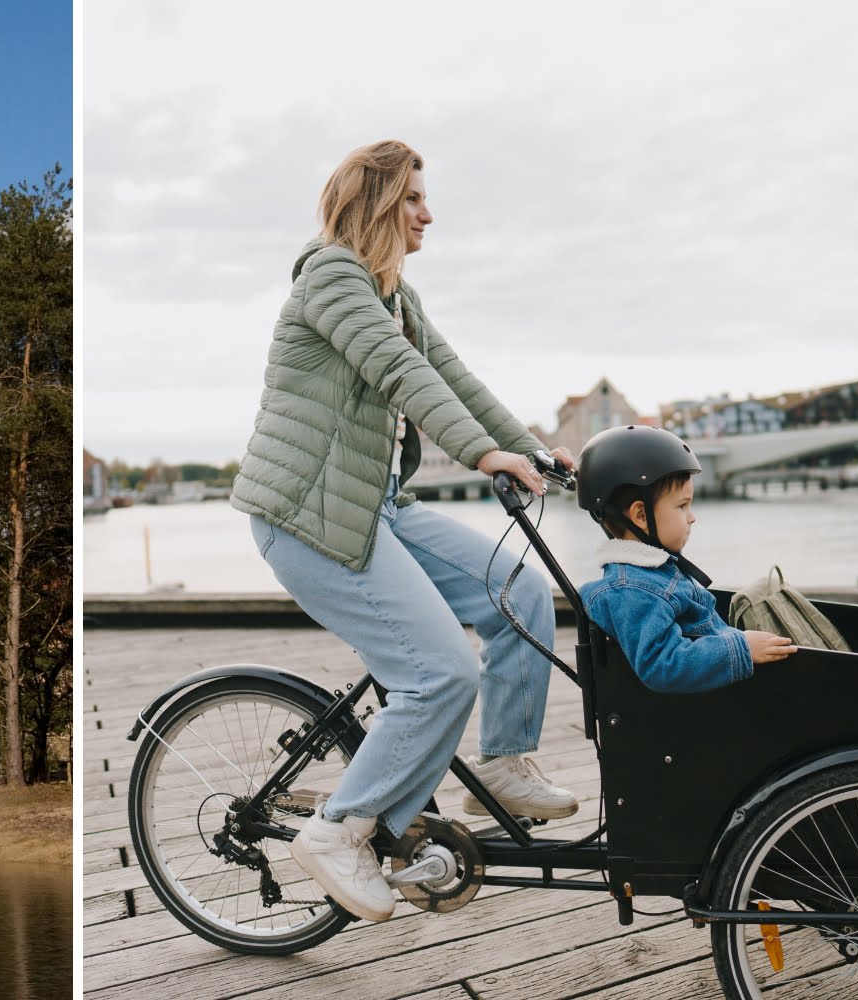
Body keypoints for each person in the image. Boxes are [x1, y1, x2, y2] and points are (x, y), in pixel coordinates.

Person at [230, 140, 577, 924]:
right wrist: (480, 453)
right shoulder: (331, 278)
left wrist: (526, 446)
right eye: (413, 199)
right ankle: (337, 833)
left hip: (375, 505)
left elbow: (453, 377)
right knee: (441, 671)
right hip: (308, 515)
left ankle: (504, 762)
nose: (428, 212)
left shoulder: (397, 297)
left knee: (516, 586)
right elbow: (400, 374)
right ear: (379, 206)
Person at [574, 425, 797, 693]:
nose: (692, 517)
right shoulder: (632, 590)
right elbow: (662, 664)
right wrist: (742, 648)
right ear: (641, 516)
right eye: (682, 506)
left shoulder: (653, 571)